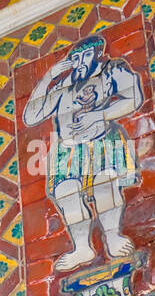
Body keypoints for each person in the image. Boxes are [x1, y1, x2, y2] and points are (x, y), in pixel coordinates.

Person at [22, 35, 143, 271]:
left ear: (96, 55)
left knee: (104, 185)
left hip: (101, 142)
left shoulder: (110, 71)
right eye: (75, 58)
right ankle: (81, 247)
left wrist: (100, 115)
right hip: (68, 150)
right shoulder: (62, 87)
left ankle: (113, 237)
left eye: (86, 55)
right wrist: (49, 77)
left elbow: (134, 97)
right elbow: (30, 116)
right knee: (67, 193)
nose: (80, 62)